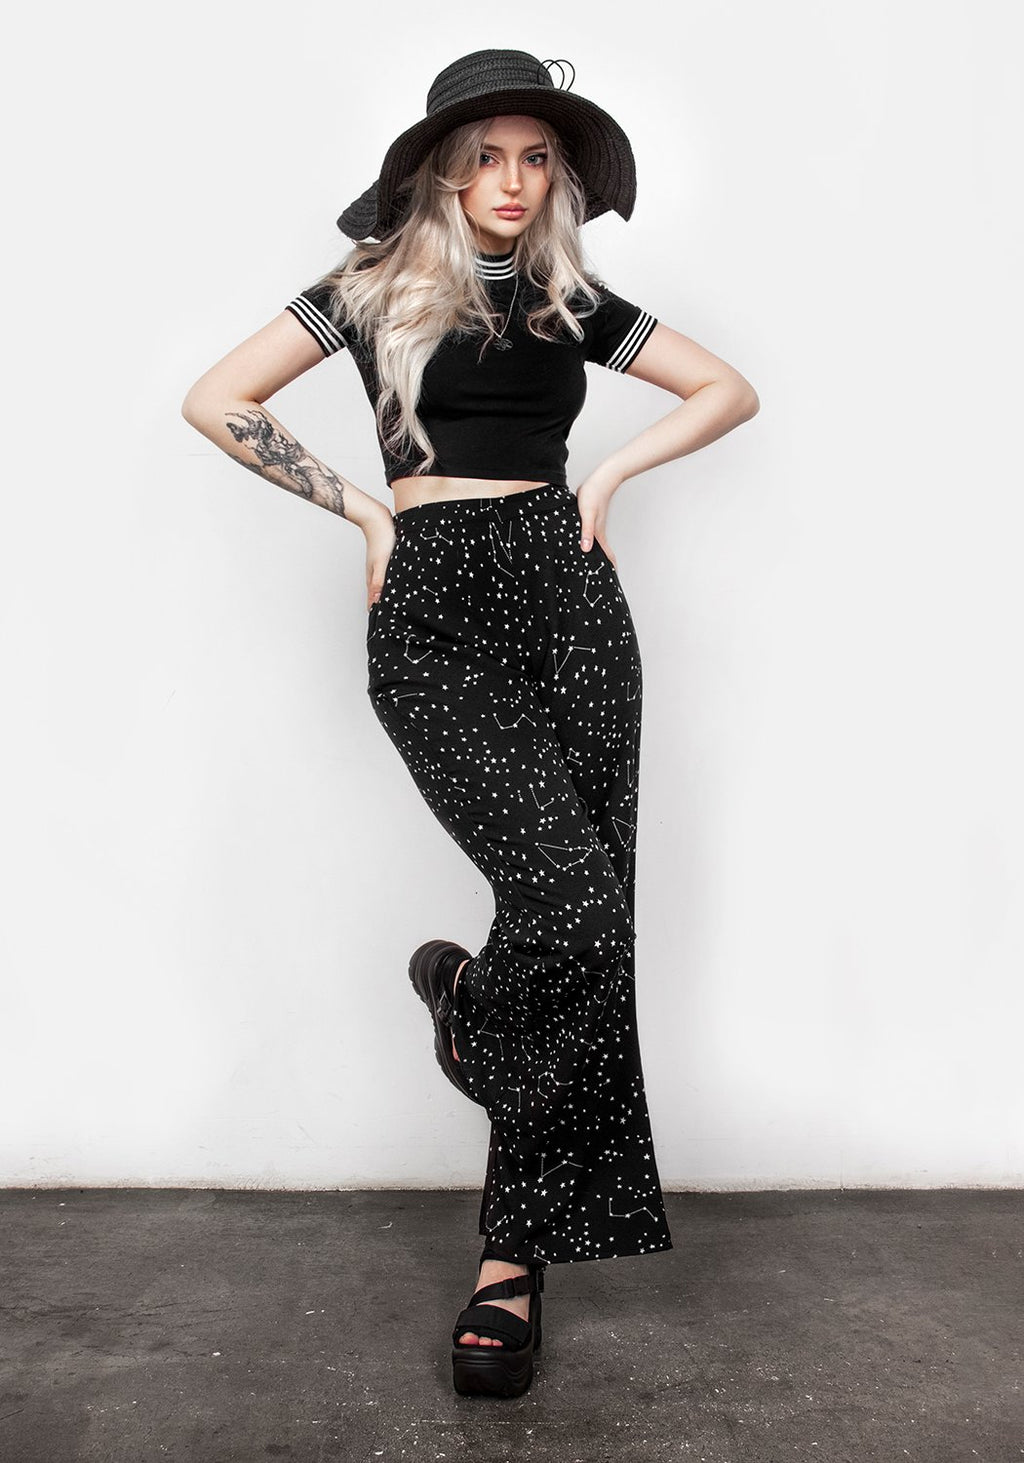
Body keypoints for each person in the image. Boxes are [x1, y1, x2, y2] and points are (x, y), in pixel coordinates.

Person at [181, 47, 759, 1399]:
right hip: (433, 601)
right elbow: (217, 398)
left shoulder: (569, 301)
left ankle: (512, 1260)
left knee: (588, 925)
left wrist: (608, 475)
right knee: (565, 902)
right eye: (487, 156)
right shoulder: (369, 288)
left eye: (536, 158)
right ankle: (466, 1004)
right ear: (441, 170)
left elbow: (728, 388)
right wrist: (362, 509)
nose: (513, 181)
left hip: (568, 594)